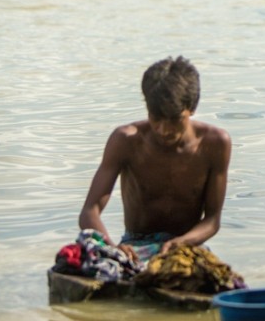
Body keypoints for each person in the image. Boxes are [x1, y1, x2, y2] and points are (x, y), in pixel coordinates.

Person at [79, 56, 232, 262]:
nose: (163, 130)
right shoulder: (126, 140)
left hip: (186, 246)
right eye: (156, 118)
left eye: (174, 120)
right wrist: (113, 249)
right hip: (136, 244)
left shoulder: (214, 144)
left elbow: (212, 220)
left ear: (192, 108)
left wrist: (181, 243)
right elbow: (89, 212)